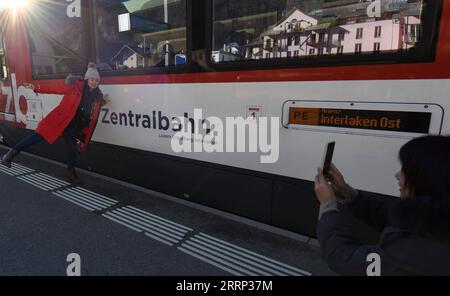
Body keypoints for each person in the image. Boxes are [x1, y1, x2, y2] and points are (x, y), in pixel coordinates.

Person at [314, 135, 450, 276]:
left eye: (406, 171)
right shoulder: (436, 224)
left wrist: (327, 205)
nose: (397, 175)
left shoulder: (412, 253)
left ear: (427, 181)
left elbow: (344, 258)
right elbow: (391, 218)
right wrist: (348, 193)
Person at [1, 63, 109, 184]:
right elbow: (56, 88)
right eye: (92, 79)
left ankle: (71, 173)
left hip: (72, 125)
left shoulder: (95, 95)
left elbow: (90, 110)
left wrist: (102, 103)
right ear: (87, 79)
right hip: (58, 120)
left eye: (96, 80)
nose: (94, 82)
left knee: (71, 148)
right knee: (36, 137)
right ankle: (9, 156)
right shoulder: (75, 87)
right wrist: (36, 87)